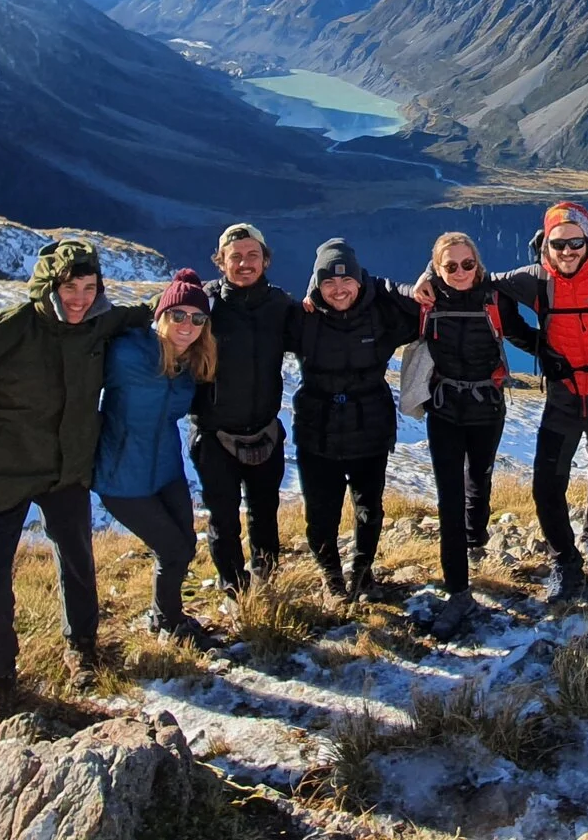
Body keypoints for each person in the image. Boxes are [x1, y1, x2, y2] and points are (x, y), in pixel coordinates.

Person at [0, 239, 151, 720]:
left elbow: (142, 313)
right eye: (70, 288)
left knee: (78, 559)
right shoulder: (0, 334)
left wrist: (194, 296)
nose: (80, 299)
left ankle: (83, 648)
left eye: (90, 288)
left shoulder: (97, 324)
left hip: (66, 471)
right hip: (0, 473)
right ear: (49, 286)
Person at [467, 202, 588, 604]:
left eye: (575, 242)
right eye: (558, 243)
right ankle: (565, 559)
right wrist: (536, 346)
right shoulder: (534, 279)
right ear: (545, 243)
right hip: (563, 400)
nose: (567, 251)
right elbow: (485, 284)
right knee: (547, 485)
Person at [290, 238, 420, 602]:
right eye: (328, 281)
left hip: (370, 428)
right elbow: (258, 325)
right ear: (316, 284)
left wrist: (381, 285)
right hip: (318, 430)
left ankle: (362, 573)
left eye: (347, 279)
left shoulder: (381, 315)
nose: (339, 289)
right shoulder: (302, 319)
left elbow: (421, 309)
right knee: (321, 512)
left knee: (369, 509)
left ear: (361, 281)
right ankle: (331, 578)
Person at [97, 267, 219, 645]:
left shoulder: (190, 364)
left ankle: (164, 615)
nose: (187, 325)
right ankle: (169, 623)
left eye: (197, 318)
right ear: (161, 315)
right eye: (178, 314)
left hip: (166, 469)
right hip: (121, 477)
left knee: (184, 545)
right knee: (172, 548)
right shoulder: (126, 353)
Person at [409, 232, 510, 638]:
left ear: (477, 264)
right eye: (450, 266)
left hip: (486, 409)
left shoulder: (494, 298)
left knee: (479, 477)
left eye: (467, 264)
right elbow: (375, 292)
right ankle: (458, 590)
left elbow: (526, 331)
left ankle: (476, 533)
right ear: (437, 268)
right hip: (445, 410)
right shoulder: (426, 302)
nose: (460, 272)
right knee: (448, 498)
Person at [192, 224, 297, 597]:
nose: (245, 263)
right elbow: (163, 324)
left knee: (265, 513)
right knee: (223, 519)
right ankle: (234, 591)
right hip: (215, 435)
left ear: (266, 260)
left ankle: (266, 585)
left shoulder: (281, 306)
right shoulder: (204, 306)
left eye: (253, 255)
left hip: (265, 430)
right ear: (220, 262)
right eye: (235, 256)